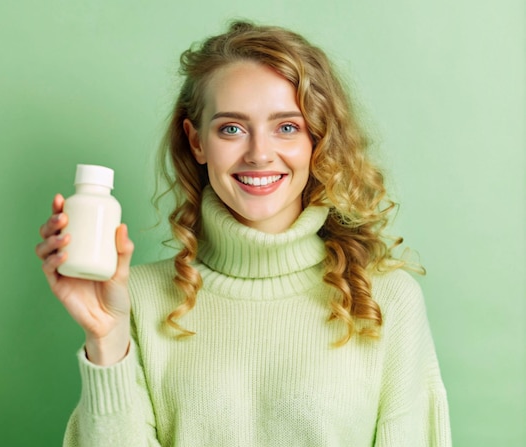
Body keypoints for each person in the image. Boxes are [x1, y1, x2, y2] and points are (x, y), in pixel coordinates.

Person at [36, 20, 451, 447]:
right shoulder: (135, 298)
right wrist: (106, 337)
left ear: (318, 138)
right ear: (197, 142)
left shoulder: (384, 298)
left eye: (286, 127)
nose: (258, 154)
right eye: (231, 128)